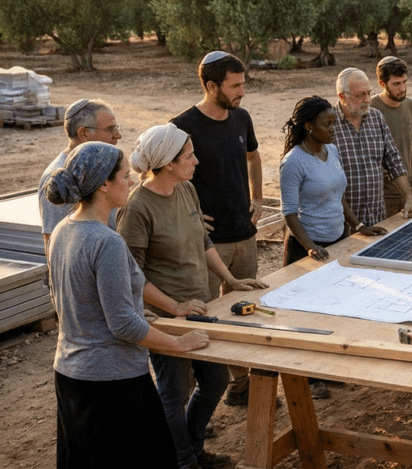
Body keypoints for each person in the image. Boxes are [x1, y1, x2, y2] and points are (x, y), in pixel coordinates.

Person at [44, 141, 209, 469]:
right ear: (104, 184)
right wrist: (178, 342)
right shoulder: (107, 242)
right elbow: (123, 325)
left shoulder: (63, 230)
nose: (132, 181)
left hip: (70, 373)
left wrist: (136, 308)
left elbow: (72, 299)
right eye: (124, 175)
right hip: (111, 383)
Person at [118, 124, 267, 469]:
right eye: (189, 156)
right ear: (168, 163)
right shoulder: (138, 208)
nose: (197, 161)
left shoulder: (186, 189)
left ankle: (190, 448)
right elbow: (131, 274)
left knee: (214, 382)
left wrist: (231, 279)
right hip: (167, 318)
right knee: (174, 392)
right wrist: (174, 308)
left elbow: (203, 241)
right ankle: (184, 461)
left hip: (200, 306)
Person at [170, 50, 262, 406]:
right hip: (206, 244)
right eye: (235, 85)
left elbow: (253, 157)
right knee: (204, 319)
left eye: (243, 84)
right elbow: (165, 176)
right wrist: (190, 214)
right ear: (211, 86)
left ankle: (241, 387)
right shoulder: (181, 126)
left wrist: (258, 195)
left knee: (245, 311)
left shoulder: (242, 118)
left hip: (245, 234)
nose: (242, 92)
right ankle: (198, 401)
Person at [279, 96, 385, 399]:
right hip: (307, 249)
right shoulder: (294, 162)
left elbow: (340, 196)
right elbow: (289, 213)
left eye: (333, 122)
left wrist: (359, 226)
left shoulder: (333, 151)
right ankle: (308, 378)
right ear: (309, 127)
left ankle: (325, 367)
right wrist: (310, 247)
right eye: (326, 124)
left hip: (336, 242)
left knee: (334, 307)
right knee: (306, 314)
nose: (333, 129)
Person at [332, 68, 412, 229]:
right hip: (341, 225)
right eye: (360, 95)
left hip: (376, 218)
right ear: (342, 96)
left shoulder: (376, 118)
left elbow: (393, 161)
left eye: (369, 93)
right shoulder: (328, 124)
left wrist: (409, 196)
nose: (367, 100)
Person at [39, 99, 123, 258]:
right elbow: (56, 249)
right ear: (84, 133)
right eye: (111, 129)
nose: (118, 135)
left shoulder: (100, 165)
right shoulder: (60, 178)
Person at [371, 56, 412, 218]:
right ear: (382, 84)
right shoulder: (371, 108)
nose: (402, 88)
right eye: (396, 84)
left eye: (404, 82)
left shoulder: (411, 105)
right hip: (384, 194)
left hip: (409, 189)